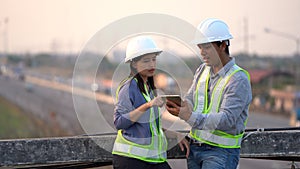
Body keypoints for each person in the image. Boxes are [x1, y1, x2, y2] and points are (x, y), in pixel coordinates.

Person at [166, 18, 252, 169]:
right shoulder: (202, 70)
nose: (202, 53)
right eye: (200, 47)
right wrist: (183, 106)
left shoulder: (238, 79)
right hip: (194, 149)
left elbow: (226, 119)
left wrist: (189, 116)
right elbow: (191, 98)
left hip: (220, 152)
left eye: (206, 47)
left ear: (223, 45)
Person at [112, 36, 189, 169]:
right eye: (146, 61)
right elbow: (119, 122)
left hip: (152, 160)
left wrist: (174, 134)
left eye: (154, 59)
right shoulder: (129, 87)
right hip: (131, 160)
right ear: (134, 63)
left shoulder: (148, 87)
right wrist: (148, 105)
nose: (152, 64)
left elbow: (150, 126)